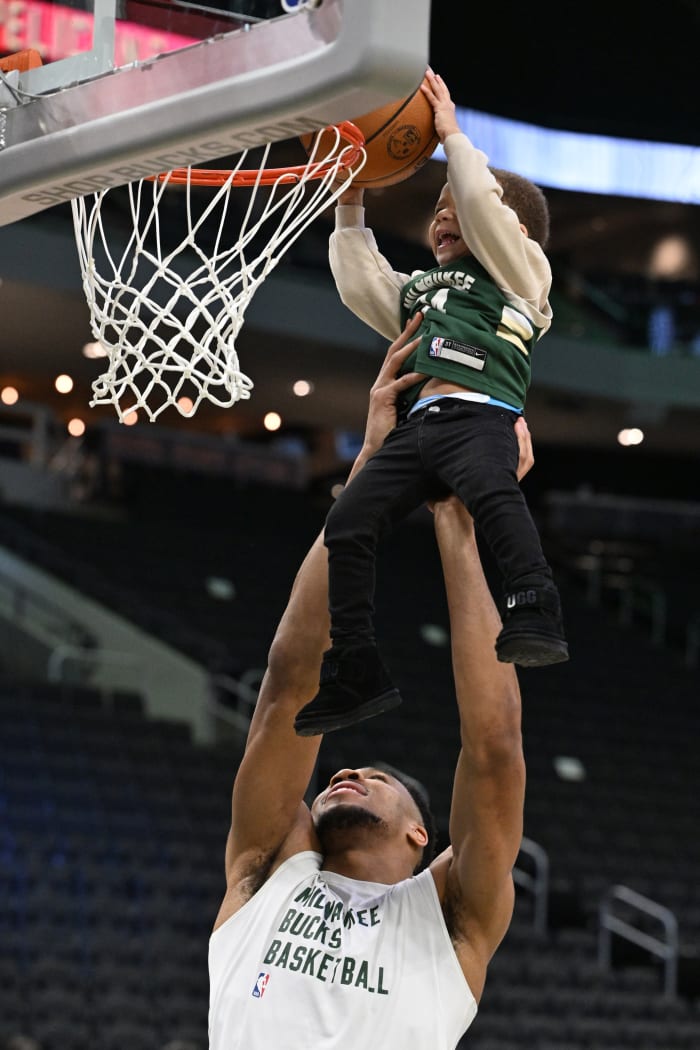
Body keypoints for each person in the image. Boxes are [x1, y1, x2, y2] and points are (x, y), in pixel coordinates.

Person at [208, 317, 530, 1049]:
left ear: (425, 835)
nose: (347, 766)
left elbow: (494, 747)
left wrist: (456, 514)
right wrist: (373, 469)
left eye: (375, 775)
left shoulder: (453, 919)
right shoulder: (266, 869)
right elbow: (291, 682)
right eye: (358, 768)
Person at [293, 69, 567, 738]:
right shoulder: (430, 291)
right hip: (418, 428)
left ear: (513, 227)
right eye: (437, 206)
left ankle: (534, 602)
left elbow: (483, 208)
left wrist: (452, 138)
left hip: (482, 415)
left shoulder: (524, 276)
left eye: (458, 203)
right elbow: (366, 285)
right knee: (349, 521)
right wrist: (351, 203)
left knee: (492, 493)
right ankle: (355, 665)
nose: (444, 211)